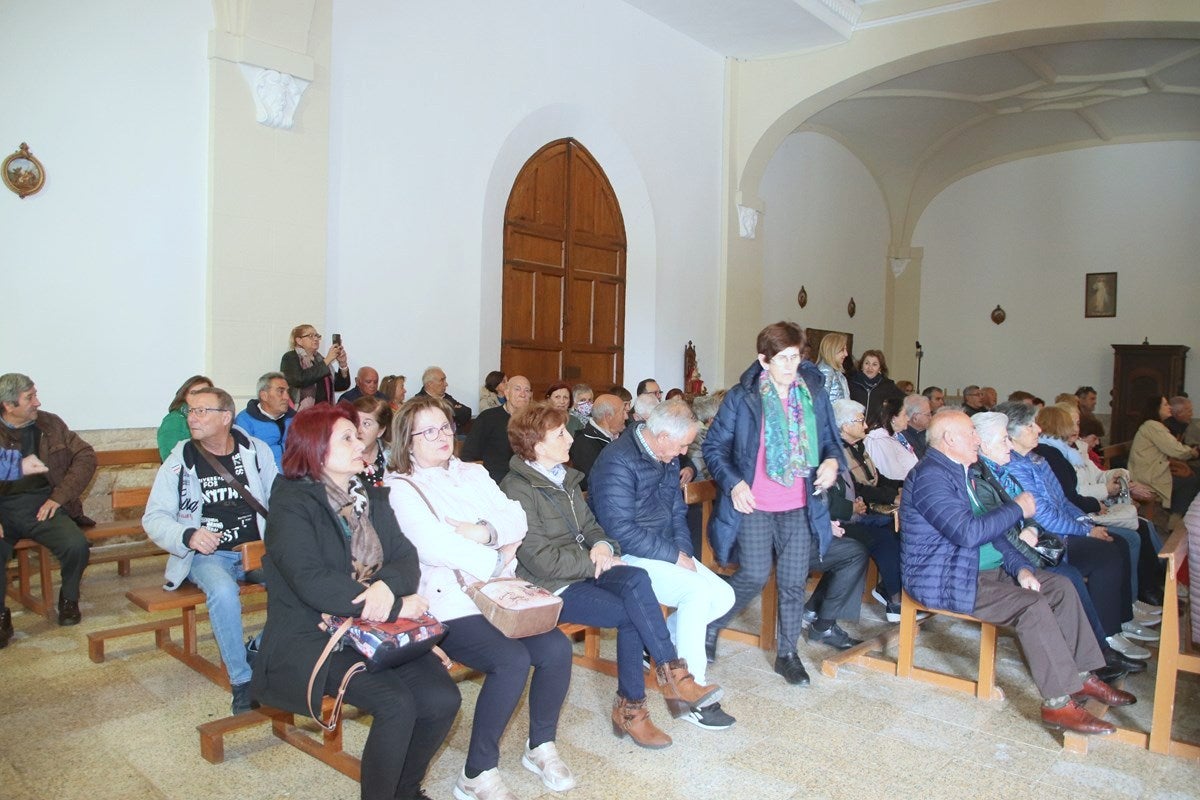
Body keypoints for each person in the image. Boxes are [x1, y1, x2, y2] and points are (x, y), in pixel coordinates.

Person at [251, 404, 460, 800]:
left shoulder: (369, 496)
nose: (360, 441)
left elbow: (405, 558)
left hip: (373, 627)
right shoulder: (291, 503)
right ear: (315, 449)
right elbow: (311, 582)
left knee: (442, 699)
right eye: (346, 437)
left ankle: (405, 791)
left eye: (357, 434)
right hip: (316, 633)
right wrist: (395, 604)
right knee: (396, 703)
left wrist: (384, 587)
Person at [383, 396, 575, 799]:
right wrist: (496, 552)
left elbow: (516, 516)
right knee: (510, 660)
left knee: (556, 648)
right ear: (408, 440)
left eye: (446, 427)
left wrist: (482, 531)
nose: (442, 436)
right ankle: (477, 771)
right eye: (429, 431)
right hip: (447, 604)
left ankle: (540, 745)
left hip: (501, 594)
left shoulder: (473, 472)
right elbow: (434, 545)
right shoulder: (401, 488)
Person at [499, 402, 723, 747]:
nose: (570, 439)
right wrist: (596, 561)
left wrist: (603, 546)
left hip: (588, 567)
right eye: (560, 433)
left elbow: (593, 527)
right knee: (632, 612)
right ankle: (636, 706)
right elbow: (540, 559)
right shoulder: (517, 489)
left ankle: (670, 674)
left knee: (637, 580)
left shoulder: (565, 478)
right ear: (537, 444)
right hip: (551, 585)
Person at [901, 410, 1133, 735]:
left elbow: (994, 534)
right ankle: (1057, 705)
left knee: (1060, 586)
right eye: (972, 433)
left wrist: (1021, 567)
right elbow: (967, 533)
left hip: (982, 572)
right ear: (950, 439)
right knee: (1032, 606)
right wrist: (1017, 509)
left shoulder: (964, 472)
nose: (977, 440)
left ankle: (1080, 676)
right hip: (947, 577)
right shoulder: (930, 477)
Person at [702, 322, 845, 685]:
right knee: (751, 573)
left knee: (794, 581)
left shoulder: (813, 392)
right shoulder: (742, 396)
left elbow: (830, 440)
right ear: (763, 360)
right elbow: (714, 447)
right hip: (755, 503)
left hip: (799, 503)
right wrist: (734, 483)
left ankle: (787, 655)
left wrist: (832, 462)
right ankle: (710, 623)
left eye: (795, 357)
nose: (789, 365)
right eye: (781, 358)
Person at [587, 399, 737, 727]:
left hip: (659, 549)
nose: (684, 452)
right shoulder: (618, 460)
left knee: (725, 596)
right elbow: (618, 530)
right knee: (696, 592)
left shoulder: (666, 455)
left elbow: (675, 513)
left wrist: (682, 553)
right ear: (664, 435)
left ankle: (655, 642)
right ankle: (689, 692)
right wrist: (672, 556)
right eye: (683, 444)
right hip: (621, 555)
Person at [972, 412, 1148, 678]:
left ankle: (1100, 647)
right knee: (1068, 576)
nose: (1009, 445)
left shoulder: (999, 469)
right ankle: (1097, 653)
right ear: (983, 444)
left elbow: (1038, 510)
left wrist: (1033, 528)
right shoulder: (982, 475)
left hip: (1032, 542)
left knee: (1104, 555)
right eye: (1004, 440)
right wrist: (1032, 548)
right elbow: (1000, 528)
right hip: (1010, 555)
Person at [144, 386, 277, 713]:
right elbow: (154, 517)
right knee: (223, 591)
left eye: (203, 411)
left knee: (296, 585)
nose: (193, 417)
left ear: (226, 418)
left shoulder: (255, 451)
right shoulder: (181, 460)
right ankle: (242, 680)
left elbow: (278, 498)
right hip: (208, 555)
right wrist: (188, 534)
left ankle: (259, 647)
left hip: (255, 548)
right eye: (191, 411)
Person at [0, 374, 93, 629]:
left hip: (43, 505)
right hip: (3, 510)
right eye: (30, 397)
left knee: (76, 545)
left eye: (35, 394)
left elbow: (85, 455)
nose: (37, 402)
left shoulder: (50, 424)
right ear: (9, 405)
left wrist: (58, 498)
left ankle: (69, 599)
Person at [830, 399, 904, 621]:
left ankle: (889, 588)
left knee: (903, 528)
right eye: (860, 421)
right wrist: (891, 496)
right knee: (886, 534)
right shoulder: (835, 451)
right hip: (845, 515)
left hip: (860, 507)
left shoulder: (858, 446)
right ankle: (895, 599)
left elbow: (877, 478)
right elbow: (855, 487)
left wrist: (902, 487)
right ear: (844, 426)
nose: (865, 426)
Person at [1129, 395, 1200, 522]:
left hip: (1151, 470)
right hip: (1148, 476)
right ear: (1156, 408)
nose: (1170, 407)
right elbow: (1175, 450)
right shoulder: (1153, 426)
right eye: (1166, 405)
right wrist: (1193, 452)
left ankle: (1175, 516)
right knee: (1190, 481)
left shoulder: (1153, 425)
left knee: (1190, 476)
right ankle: (1175, 519)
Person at [461, 375, 532, 484]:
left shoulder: (535, 421)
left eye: (527, 390)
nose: (523, 394)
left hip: (528, 480)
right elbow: (468, 457)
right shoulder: (488, 418)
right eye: (517, 389)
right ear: (507, 393)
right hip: (496, 481)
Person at [280, 324, 350, 408]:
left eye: (317, 336)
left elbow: (340, 385)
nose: (316, 339)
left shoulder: (320, 360)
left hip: (325, 413)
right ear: (299, 340)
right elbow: (299, 379)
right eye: (311, 336)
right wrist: (327, 360)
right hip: (301, 414)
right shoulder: (290, 357)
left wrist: (343, 364)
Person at [235, 372, 295, 468]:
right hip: (265, 478)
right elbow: (244, 459)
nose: (287, 397)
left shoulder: (295, 419)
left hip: (296, 476)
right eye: (280, 391)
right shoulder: (244, 421)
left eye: (287, 392)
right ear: (264, 396)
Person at [568, 393, 626, 490]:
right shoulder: (584, 444)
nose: (626, 416)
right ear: (608, 417)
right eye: (622, 412)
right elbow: (591, 483)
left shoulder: (622, 436)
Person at [862, 396, 918, 481]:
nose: (908, 418)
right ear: (893, 418)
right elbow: (888, 474)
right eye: (905, 414)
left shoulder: (897, 436)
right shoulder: (878, 441)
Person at [157, 375, 213, 459]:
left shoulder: (214, 419)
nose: (199, 397)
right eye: (194, 393)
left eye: (205, 393)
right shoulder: (174, 421)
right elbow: (171, 459)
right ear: (184, 396)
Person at [847, 349, 903, 422]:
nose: (870, 368)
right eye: (867, 363)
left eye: (874, 364)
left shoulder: (888, 385)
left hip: (876, 429)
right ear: (861, 366)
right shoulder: (851, 382)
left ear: (880, 368)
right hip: (854, 426)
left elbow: (904, 401)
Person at [352, 396, 392, 487]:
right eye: (355, 421)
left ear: (380, 431)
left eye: (366, 424)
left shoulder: (393, 457)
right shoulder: (341, 456)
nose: (358, 430)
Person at [687, 391, 725, 480]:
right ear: (711, 420)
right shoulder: (696, 437)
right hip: (704, 488)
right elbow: (702, 472)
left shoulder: (716, 434)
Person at [814, 333, 850, 404]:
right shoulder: (826, 370)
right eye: (842, 350)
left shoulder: (833, 370)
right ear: (833, 350)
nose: (846, 354)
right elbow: (821, 404)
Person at [899, 393, 932, 459]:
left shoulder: (929, 432)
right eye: (928, 415)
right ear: (915, 418)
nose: (931, 417)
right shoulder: (902, 437)